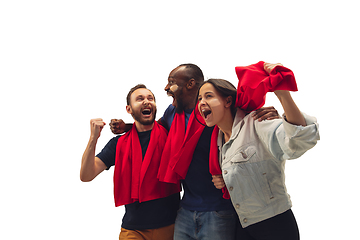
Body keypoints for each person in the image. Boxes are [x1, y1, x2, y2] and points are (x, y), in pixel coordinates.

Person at [110, 64, 280, 240]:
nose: (166, 88)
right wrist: (127, 126)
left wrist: (260, 115)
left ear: (190, 84)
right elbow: (154, 129)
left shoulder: (215, 113)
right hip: (185, 209)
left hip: (219, 210)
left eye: (172, 82)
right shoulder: (172, 113)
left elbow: (242, 130)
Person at [197, 62, 320, 240]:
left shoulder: (257, 122)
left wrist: (282, 93)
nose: (202, 102)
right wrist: (226, 179)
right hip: (243, 224)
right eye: (200, 98)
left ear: (228, 101)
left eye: (208, 96)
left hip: (275, 224)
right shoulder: (218, 140)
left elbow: (299, 140)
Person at [80, 84, 180, 240]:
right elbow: (86, 175)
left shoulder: (170, 134)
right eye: (140, 99)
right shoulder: (118, 144)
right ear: (129, 109)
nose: (146, 101)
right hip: (134, 231)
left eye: (150, 98)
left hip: (171, 227)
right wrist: (93, 139)